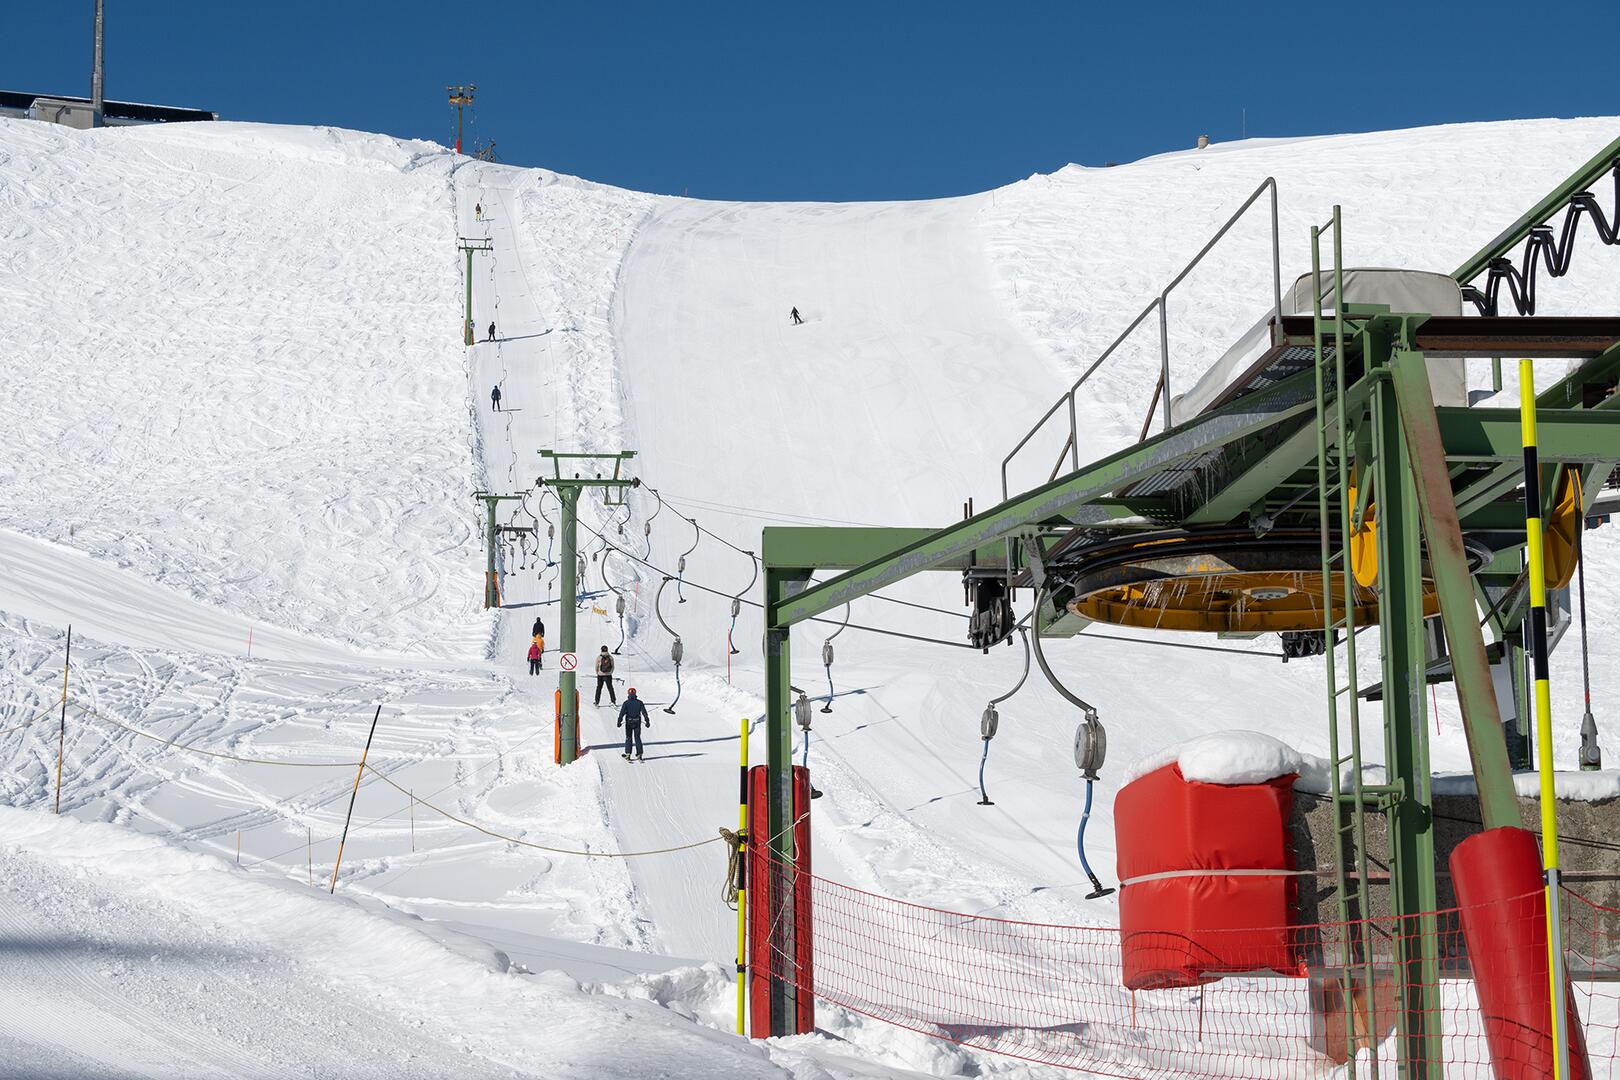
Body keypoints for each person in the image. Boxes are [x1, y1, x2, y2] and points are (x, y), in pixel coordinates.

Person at [617, 688, 648, 761]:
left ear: (628, 694)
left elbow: (622, 713)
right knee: (637, 737)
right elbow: (644, 712)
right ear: (635, 693)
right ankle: (639, 754)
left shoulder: (626, 703)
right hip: (637, 722)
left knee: (628, 737)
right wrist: (647, 721)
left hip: (629, 723)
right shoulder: (640, 702)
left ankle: (628, 754)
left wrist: (619, 721)